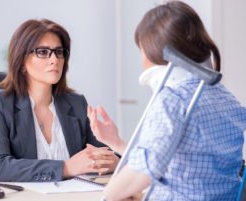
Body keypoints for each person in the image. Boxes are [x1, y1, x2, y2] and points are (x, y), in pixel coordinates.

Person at [88, 1, 246, 200]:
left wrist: (107, 195)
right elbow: (178, 160)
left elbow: (143, 172)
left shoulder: (173, 99)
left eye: (141, 50)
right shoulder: (226, 98)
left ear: (153, 50)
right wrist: (117, 143)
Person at [0, 18, 119, 182]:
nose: (54, 60)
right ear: (21, 61)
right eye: (43, 52)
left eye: (59, 52)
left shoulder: (77, 103)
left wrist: (113, 161)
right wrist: (66, 168)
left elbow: (101, 153)